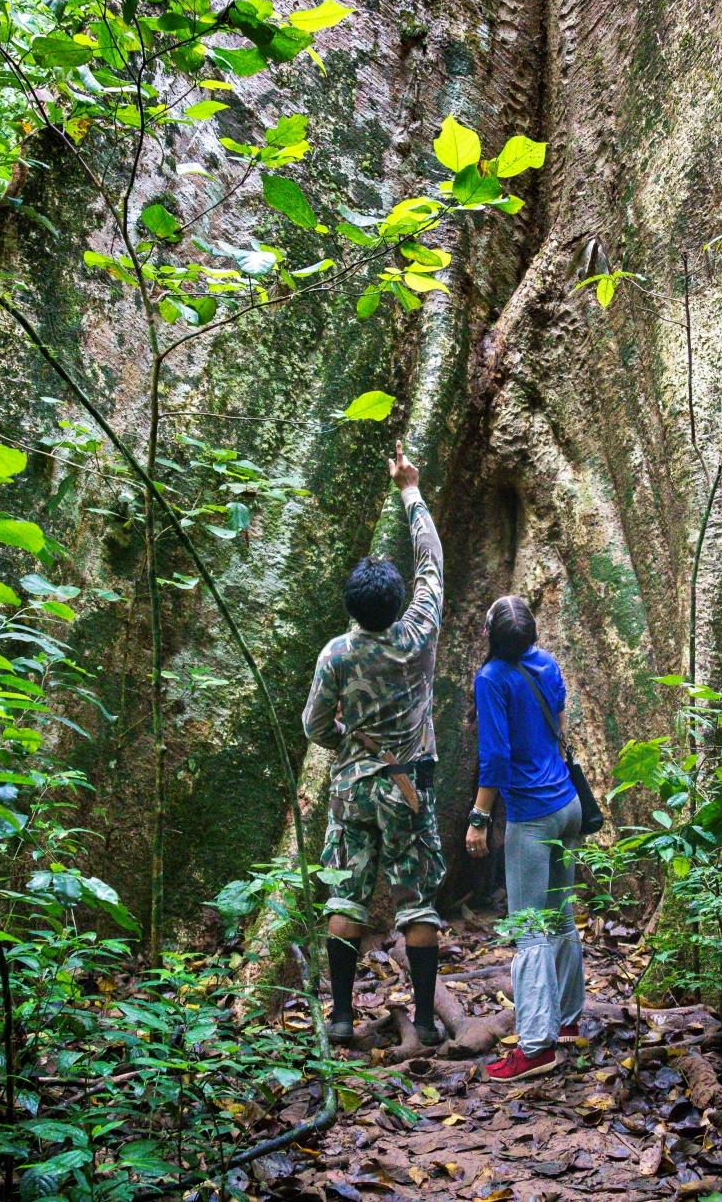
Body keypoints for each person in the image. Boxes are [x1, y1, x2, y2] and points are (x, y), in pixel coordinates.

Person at [301, 443, 447, 1047]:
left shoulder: (337, 652)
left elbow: (314, 726)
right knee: (415, 901)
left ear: (352, 609)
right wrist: (409, 489)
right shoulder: (418, 633)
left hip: (355, 788)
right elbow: (432, 563)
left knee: (349, 896)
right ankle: (423, 1019)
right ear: (395, 604)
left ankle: (338, 1016)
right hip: (408, 786)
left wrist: (347, 744)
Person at [465, 595, 584, 1081]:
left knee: (530, 929)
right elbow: (558, 721)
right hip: (568, 806)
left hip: (533, 818)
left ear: (491, 637)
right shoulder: (547, 663)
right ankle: (569, 1020)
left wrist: (478, 817)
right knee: (561, 918)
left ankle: (536, 1046)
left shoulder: (491, 678)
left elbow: (494, 756)